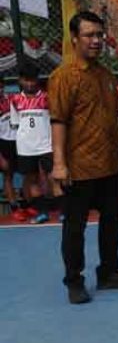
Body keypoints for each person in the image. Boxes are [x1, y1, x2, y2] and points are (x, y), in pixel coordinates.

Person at [48, 11, 118, 304]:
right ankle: (74, 281)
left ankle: (109, 272)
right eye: (89, 35)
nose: (96, 40)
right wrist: (59, 164)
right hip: (78, 167)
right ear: (74, 38)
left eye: (100, 35)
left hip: (109, 165)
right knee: (74, 228)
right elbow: (58, 122)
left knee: (113, 220)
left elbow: (114, 117)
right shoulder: (63, 77)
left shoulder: (105, 75)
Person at [9, 61, 58, 224]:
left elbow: (54, 120)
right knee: (33, 180)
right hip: (26, 148)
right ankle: (42, 212)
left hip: (46, 145)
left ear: (37, 80)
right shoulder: (15, 100)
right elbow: (15, 124)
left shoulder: (46, 98)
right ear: (20, 81)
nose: (30, 83)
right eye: (26, 80)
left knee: (54, 177)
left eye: (32, 80)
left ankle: (64, 210)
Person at [0, 89, 19, 216]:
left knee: (31, 172)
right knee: (8, 175)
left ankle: (31, 205)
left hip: (20, 141)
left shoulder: (13, 98)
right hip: (3, 143)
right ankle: (14, 209)